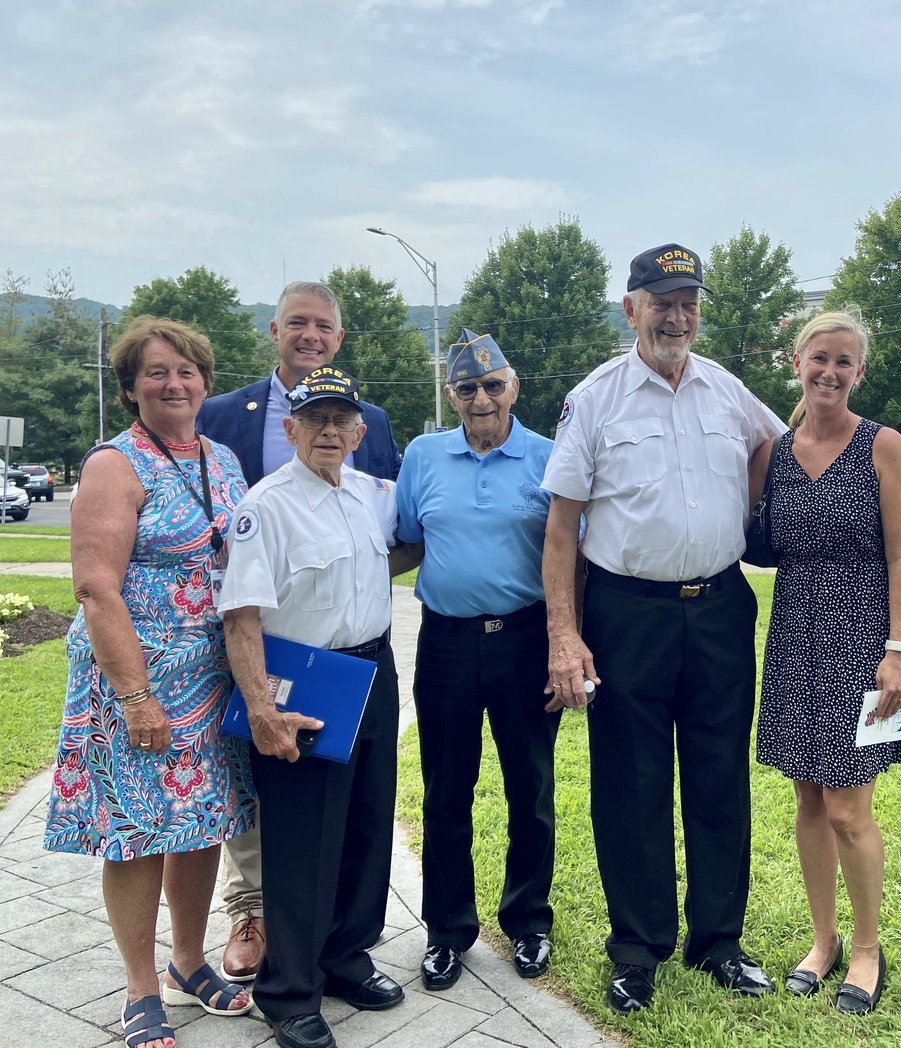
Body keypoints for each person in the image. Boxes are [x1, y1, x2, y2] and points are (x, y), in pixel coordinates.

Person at [541, 243, 785, 1015]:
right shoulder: (596, 398)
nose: (677, 315)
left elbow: (774, 447)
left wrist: (743, 515)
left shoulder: (726, 388)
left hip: (718, 605)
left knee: (719, 775)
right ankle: (637, 948)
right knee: (630, 782)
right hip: (628, 612)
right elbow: (560, 531)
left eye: (688, 302)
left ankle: (717, 940)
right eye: (661, 300)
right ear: (631, 308)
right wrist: (564, 634)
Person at [43, 316, 256, 1048]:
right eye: (156, 373)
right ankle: (140, 990)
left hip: (210, 676)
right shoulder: (115, 465)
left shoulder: (221, 458)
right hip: (134, 675)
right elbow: (97, 589)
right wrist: (136, 696)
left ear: (204, 381)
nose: (174, 383)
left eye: (186, 371)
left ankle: (189, 964)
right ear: (131, 388)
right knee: (136, 834)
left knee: (201, 825)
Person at [197, 280, 402, 983]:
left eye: (340, 420)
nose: (328, 432)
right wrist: (260, 705)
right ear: (290, 427)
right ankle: (290, 989)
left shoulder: (371, 497)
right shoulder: (266, 506)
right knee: (300, 841)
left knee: (367, 829)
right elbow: (241, 615)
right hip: (305, 677)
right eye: (314, 419)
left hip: (373, 674)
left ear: (359, 433)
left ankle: (345, 955)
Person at [752, 310, 901, 1015]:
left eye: (844, 362)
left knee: (848, 807)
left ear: (859, 372)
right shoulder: (774, 450)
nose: (829, 372)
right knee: (806, 795)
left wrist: (897, 651)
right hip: (796, 631)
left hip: (866, 639)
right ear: (796, 362)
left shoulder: (882, 446)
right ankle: (823, 940)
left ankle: (867, 949)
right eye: (818, 359)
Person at [393, 329, 561, 991]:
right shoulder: (424, 456)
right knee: (445, 792)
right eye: (468, 388)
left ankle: (529, 921)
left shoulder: (550, 457)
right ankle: (447, 930)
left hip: (526, 640)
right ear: (452, 395)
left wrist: (568, 646)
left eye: (493, 385)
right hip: (446, 644)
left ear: (514, 388)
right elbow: (405, 542)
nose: (482, 398)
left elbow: (572, 558)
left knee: (531, 788)